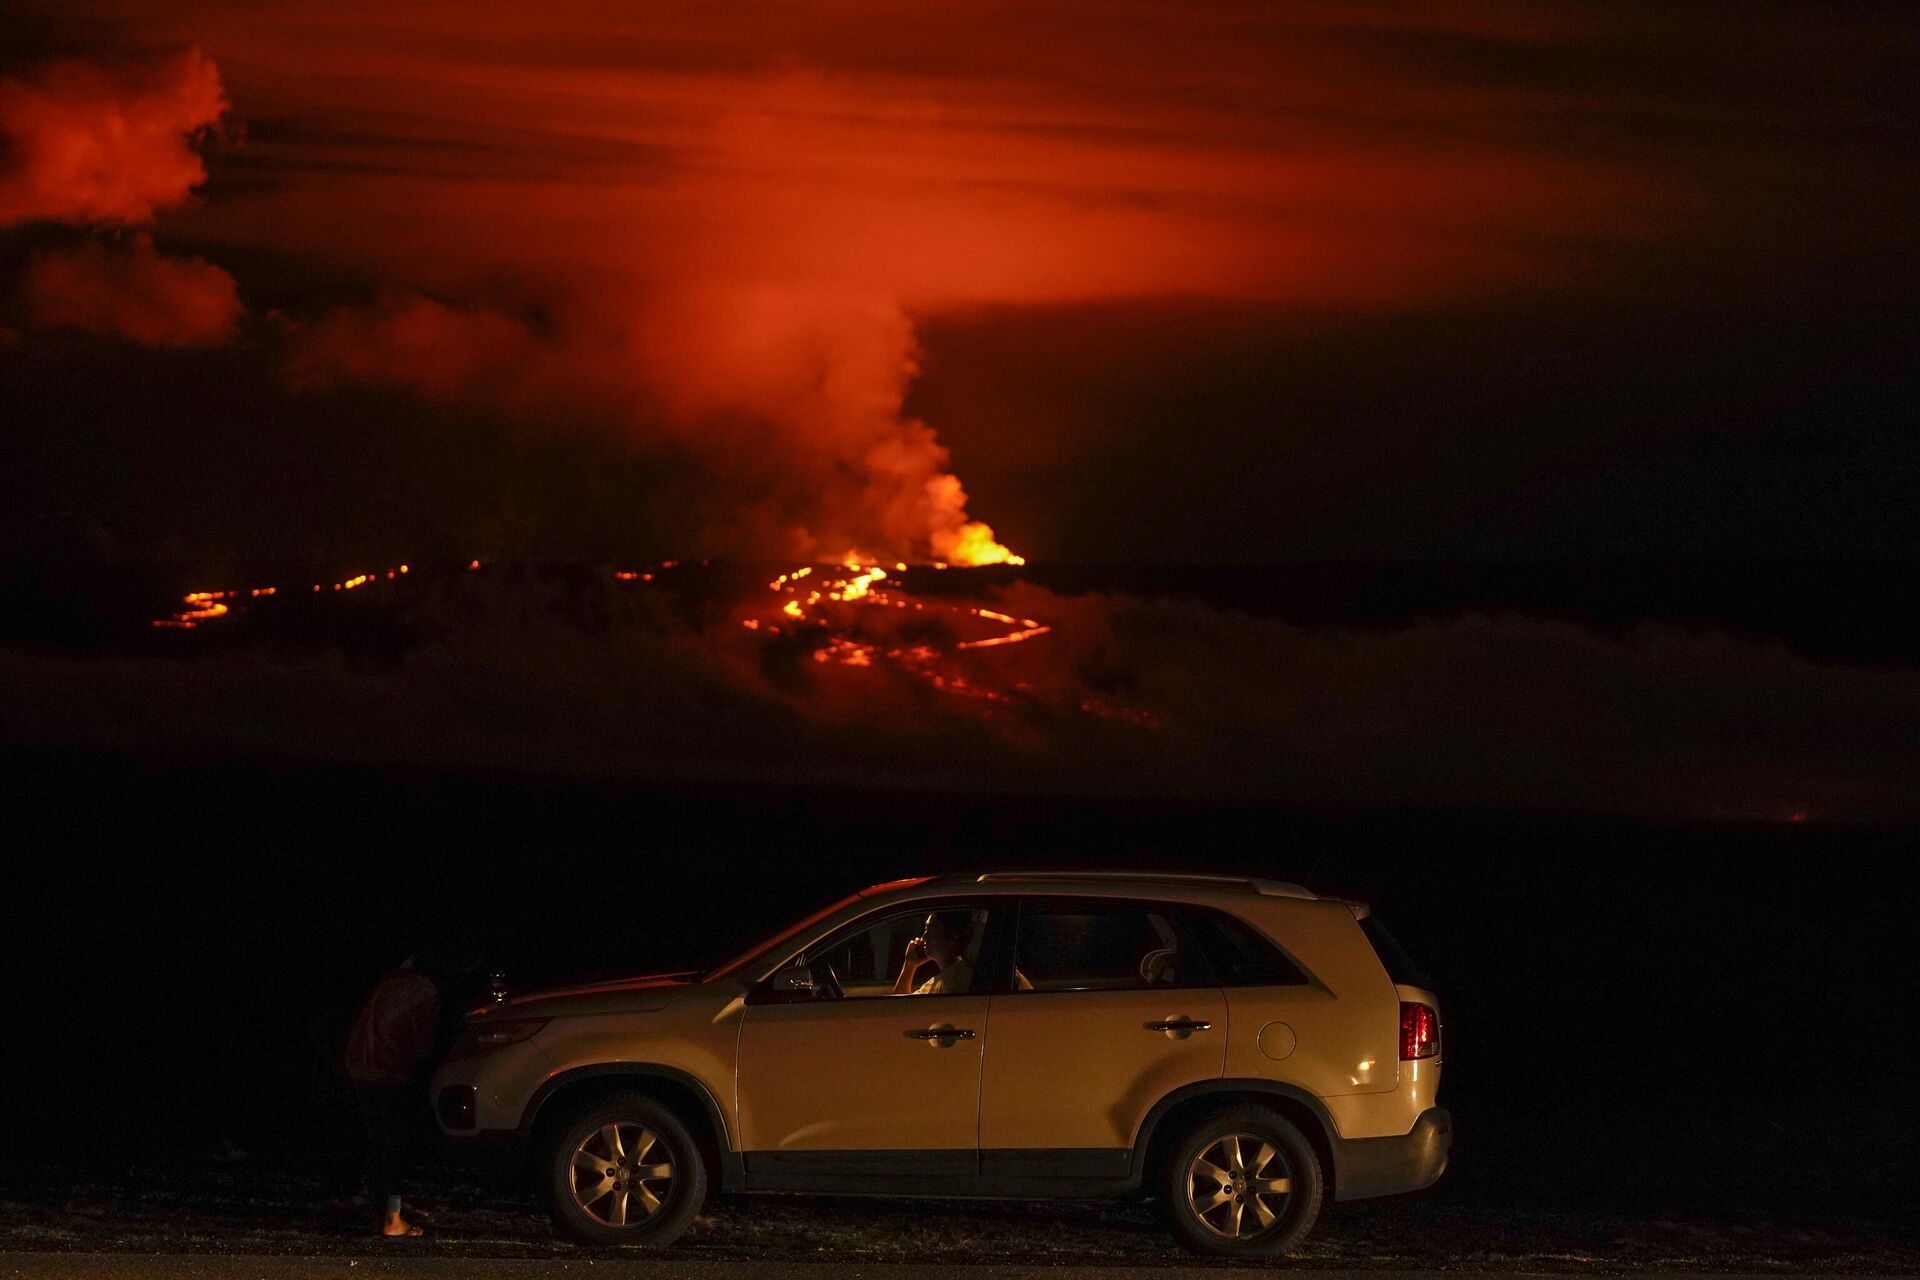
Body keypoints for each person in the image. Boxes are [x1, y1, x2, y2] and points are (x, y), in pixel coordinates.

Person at [337, 951, 472, 1237]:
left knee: (378, 1139)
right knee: (394, 1143)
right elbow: (423, 1043)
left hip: (359, 1062)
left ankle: (379, 1200)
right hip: (388, 1069)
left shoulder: (392, 980)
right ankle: (391, 1219)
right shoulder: (425, 990)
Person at [892, 912, 975, 995]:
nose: (924, 937)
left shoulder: (958, 978)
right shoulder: (944, 976)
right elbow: (901, 1004)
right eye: (926, 929)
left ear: (951, 938)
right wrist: (909, 965)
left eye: (931, 930)